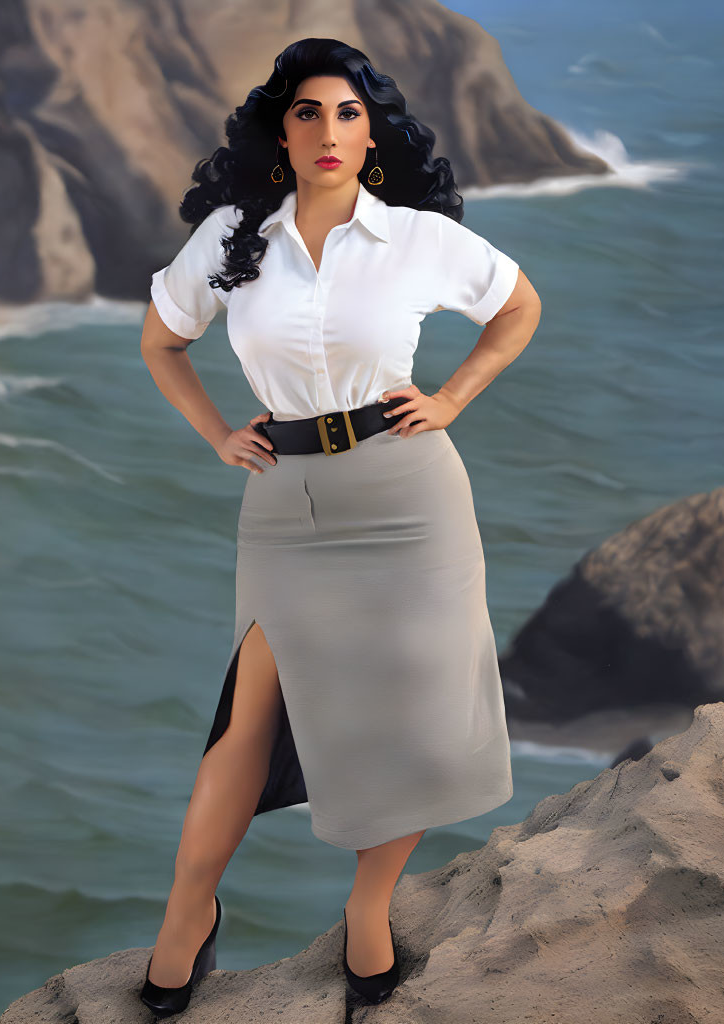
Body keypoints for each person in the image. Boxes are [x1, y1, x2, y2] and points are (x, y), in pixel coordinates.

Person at [138, 36, 542, 1015]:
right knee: (249, 716)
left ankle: (369, 906)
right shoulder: (234, 238)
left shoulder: (418, 239)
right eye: (308, 111)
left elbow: (518, 307)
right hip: (286, 495)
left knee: (412, 705)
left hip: (410, 495)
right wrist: (215, 434)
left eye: (348, 113)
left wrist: (451, 397)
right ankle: (186, 917)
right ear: (281, 129)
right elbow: (161, 338)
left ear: (373, 134)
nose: (328, 130)